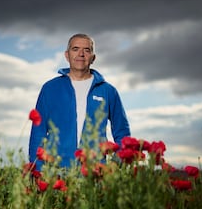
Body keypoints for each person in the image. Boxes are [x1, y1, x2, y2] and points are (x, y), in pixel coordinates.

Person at [28, 33, 130, 170]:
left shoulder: (108, 91)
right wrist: (38, 170)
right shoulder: (50, 89)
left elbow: (122, 132)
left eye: (86, 50)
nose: (81, 54)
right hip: (56, 171)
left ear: (93, 57)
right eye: (75, 49)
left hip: (94, 172)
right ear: (67, 55)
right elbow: (38, 132)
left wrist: (115, 165)